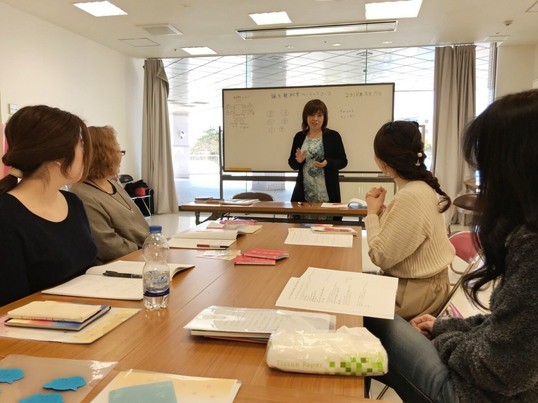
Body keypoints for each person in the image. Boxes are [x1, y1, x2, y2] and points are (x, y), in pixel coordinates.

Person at [365, 89, 538, 402]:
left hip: (469, 393)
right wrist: (448, 328)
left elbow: (500, 367)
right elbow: (512, 328)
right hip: (467, 348)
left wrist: (444, 341)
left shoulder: (531, 246)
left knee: (368, 317)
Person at [0, 105, 97, 306]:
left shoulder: (73, 203)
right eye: (80, 145)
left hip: (89, 316)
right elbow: (10, 306)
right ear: (56, 157)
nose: (85, 153)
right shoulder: (6, 216)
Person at [364, 121, 455, 320]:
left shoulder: (410, 195)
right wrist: (381, 213)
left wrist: (372, 213)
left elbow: (380, 256)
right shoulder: (418, 188)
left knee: (347, 305)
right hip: (421, 286)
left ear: (382, 162)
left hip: (415, 294)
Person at [70, 126, 149, 263]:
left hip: (144, 253)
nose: (120, 157)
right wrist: (142, 249)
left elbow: (140, 226)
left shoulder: (113, 184)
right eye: (118, 151)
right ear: (104, 155)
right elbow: (107, 246)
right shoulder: (81, 194)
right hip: (124, 263)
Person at [288, 99, 347, 206]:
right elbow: (292, 163)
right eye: (311, 115)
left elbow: (343, 161)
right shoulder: (299, 137)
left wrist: (327, 162)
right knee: (300, 222)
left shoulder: (333, 136)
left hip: (327, 194)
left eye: (319, 115)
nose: (315, 119)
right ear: (306, 117)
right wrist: (299, 161)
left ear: (324, 118)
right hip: (304, 195)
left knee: (327, 222)